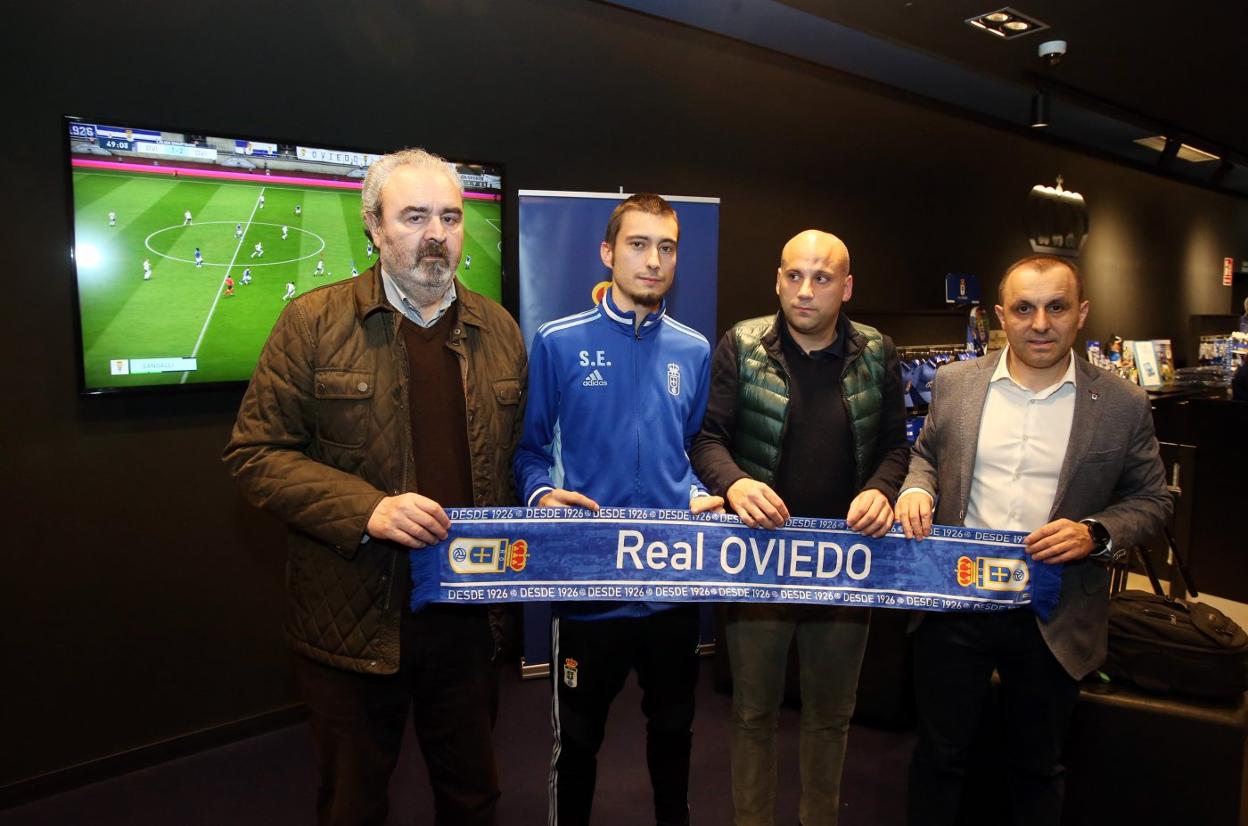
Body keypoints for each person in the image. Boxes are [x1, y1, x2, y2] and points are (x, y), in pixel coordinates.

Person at [224, 148, 526, 826]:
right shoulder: (312, 323)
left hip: (468, 622)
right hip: (355, 626)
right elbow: (254, 455)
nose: (436, 235)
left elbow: (514, 459)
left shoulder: (499, 330)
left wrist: (540, 496)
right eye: (414, 216)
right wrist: (370, 510)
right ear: (375, 227)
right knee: (353, 807)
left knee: (475, 798)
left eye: (449, 216)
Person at [895, 255, 1172, 826]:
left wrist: (1095, 532)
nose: (1040, 323)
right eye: (1024, 308)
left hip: (1055, 610)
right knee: (940, 759)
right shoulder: (955, 383)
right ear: (1002, 316)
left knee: (1037, 767)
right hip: (955, 603)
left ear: (1081, 313)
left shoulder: (1122, 404)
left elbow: (1153, 500)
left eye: (1056, 307)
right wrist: (916, 489)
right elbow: (926, 456)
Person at [515, 193, 723, 826]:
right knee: (576, 745)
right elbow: (527, 451)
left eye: (666, 247)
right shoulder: (557, 342)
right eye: (638, 245)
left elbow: (686, 452)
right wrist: (542, 495)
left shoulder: (693, 349)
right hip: (588, 589)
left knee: (675, 738)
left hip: (671, 587)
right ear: (608, 253)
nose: (653, 260)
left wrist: (694, 494)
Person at [690, 230, 909, 826]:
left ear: (847, 287)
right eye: (794, 276)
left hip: (844, 566)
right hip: (760, 561)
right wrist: (733, 483)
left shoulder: (879, 351)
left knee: (831, 717)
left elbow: (896, 445)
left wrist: (881, 490)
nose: (805, 291)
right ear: (777, 278)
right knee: (752, 713)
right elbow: (707, 439)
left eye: (822, 278)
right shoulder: (741, 343)